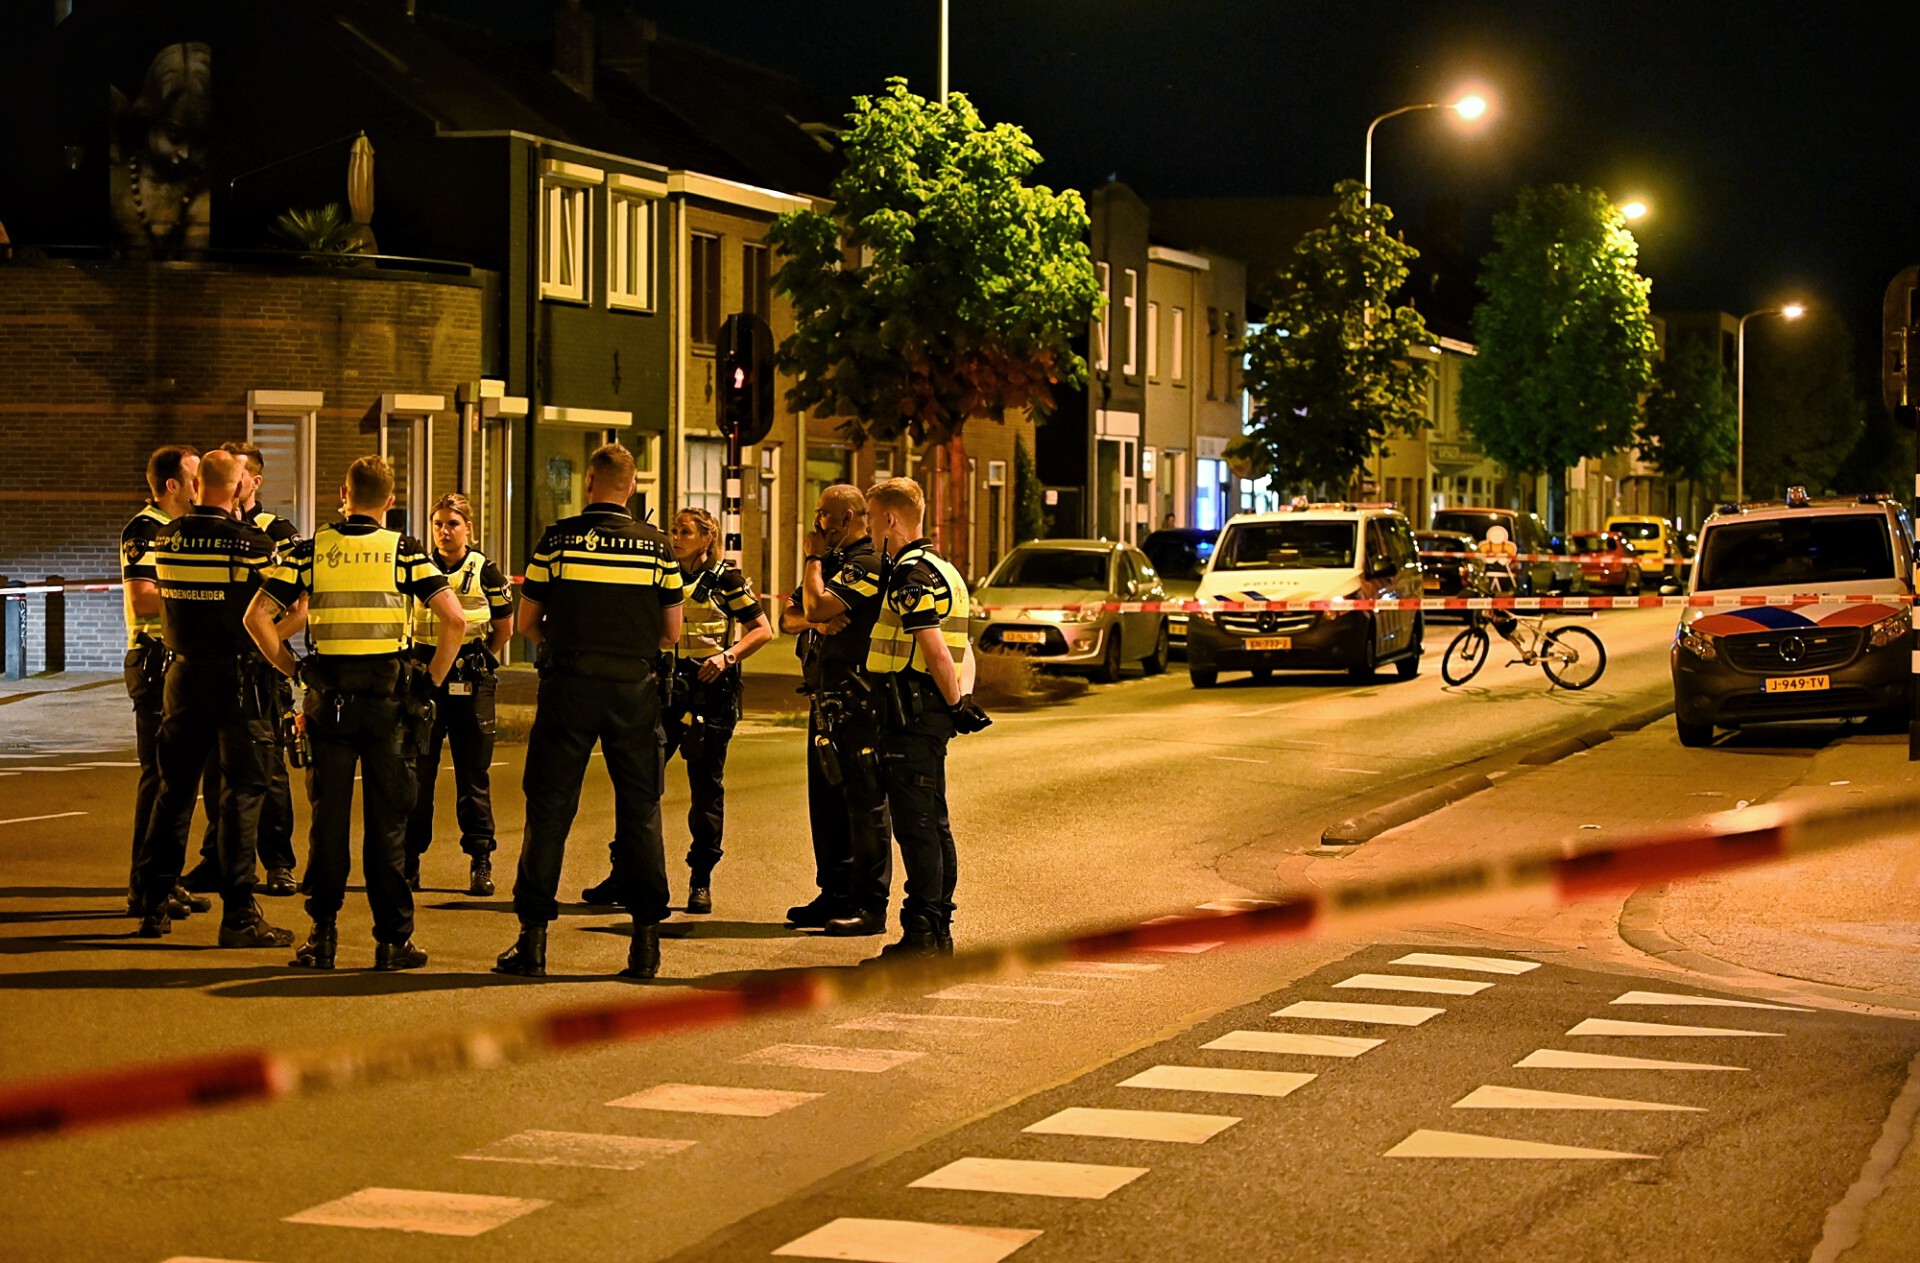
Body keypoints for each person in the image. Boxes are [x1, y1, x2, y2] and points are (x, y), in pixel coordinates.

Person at [246, 456, 464, 971]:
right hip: (390, 705)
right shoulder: (405, 551)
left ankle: (322, 936)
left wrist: (293, 670)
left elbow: (256, 616)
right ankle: (392, 941)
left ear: (343, 493)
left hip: (329, 705)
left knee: (329, 823)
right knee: (388, 826)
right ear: (389, 501)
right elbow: (453, 620)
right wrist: (430, 684)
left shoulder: (311, 550)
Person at [495, 443, 683, 980]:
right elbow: (671, 634)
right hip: (634, 690)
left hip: (568, 687)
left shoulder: (557, 541)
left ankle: (532, 942)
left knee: (549, 811)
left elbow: (528, 622)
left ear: (590, 484)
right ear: (631, 488)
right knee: (640, 811)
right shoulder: (658, 548)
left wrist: (563, 642)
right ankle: (645, 946)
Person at [129, 451, 293, 947]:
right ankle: (239, 914)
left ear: (198, 484)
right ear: (237, 483)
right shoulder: (250, 544)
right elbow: (275, 607)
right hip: (237, 680)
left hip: (182, 676)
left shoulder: (167, 538)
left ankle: (154, 903)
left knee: (173, 792)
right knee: (242, 793)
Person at [581, 507, 770, 914]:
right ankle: (624, 872)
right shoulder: (662, 574)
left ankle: (700, 879)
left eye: (685, 531)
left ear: (707, 538)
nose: (676, 537)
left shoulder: (726, 580)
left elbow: (762, 629)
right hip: (664, 691)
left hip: (710, 694)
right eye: (673, 530)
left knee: (705, 790)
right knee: (640, 784)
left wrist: (727, 657)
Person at [861, 477, 991, 960]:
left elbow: (936, 647)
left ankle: (922, 934)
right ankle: (938, 929)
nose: (872, 531)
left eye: (874, 520)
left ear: (891, 520)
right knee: (934, 821)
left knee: (917, 824)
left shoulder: (910, 574)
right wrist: (962, 698)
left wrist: (956, 702)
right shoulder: (946, 570)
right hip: (927, 711)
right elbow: (966, 646)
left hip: (911, 713)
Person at [185, 439, 302, 898]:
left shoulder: (277, 531)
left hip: (262, 665)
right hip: (220, 669)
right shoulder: (212, 528)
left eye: (237, 474)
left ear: (253, 481)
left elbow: (302, 605)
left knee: (267, 768)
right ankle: (219, 859)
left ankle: (279, 862)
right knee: (218, 771)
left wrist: (266, 641)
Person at [785, 485, 891, 936]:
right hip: (823, 699)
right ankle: (833, 892)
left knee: (863, 806)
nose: (817, 524)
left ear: (848, 518)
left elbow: (810, 602)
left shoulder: (864, 565)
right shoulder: (830, 566)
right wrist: (818, 619)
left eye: (824, 515)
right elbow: (792, 616)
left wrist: (812, 565)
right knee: (825, 804)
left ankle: (869, 904)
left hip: (857, 700)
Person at [404, 492, 513, 898]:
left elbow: (504, 627)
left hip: (470, 677)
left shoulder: (485, 569)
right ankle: (409, 860)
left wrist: (482, 659)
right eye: (438, 524)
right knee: (418, 774)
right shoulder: (418, 568)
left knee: (473, 776)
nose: (444, 531)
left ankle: (480, 860)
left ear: (468, 528)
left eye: (452, 523)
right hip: (425, 677)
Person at [119, 444, 209, 922]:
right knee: (158, 779)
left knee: (177, 781)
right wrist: (198, 601)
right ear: (172, 485)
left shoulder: (178, 531)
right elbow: (143, 599)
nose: (200, 486)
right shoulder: (145, 530)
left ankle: (165, 880)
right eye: (194, 477)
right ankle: (143, 885)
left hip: (175, 664)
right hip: (154, 664)